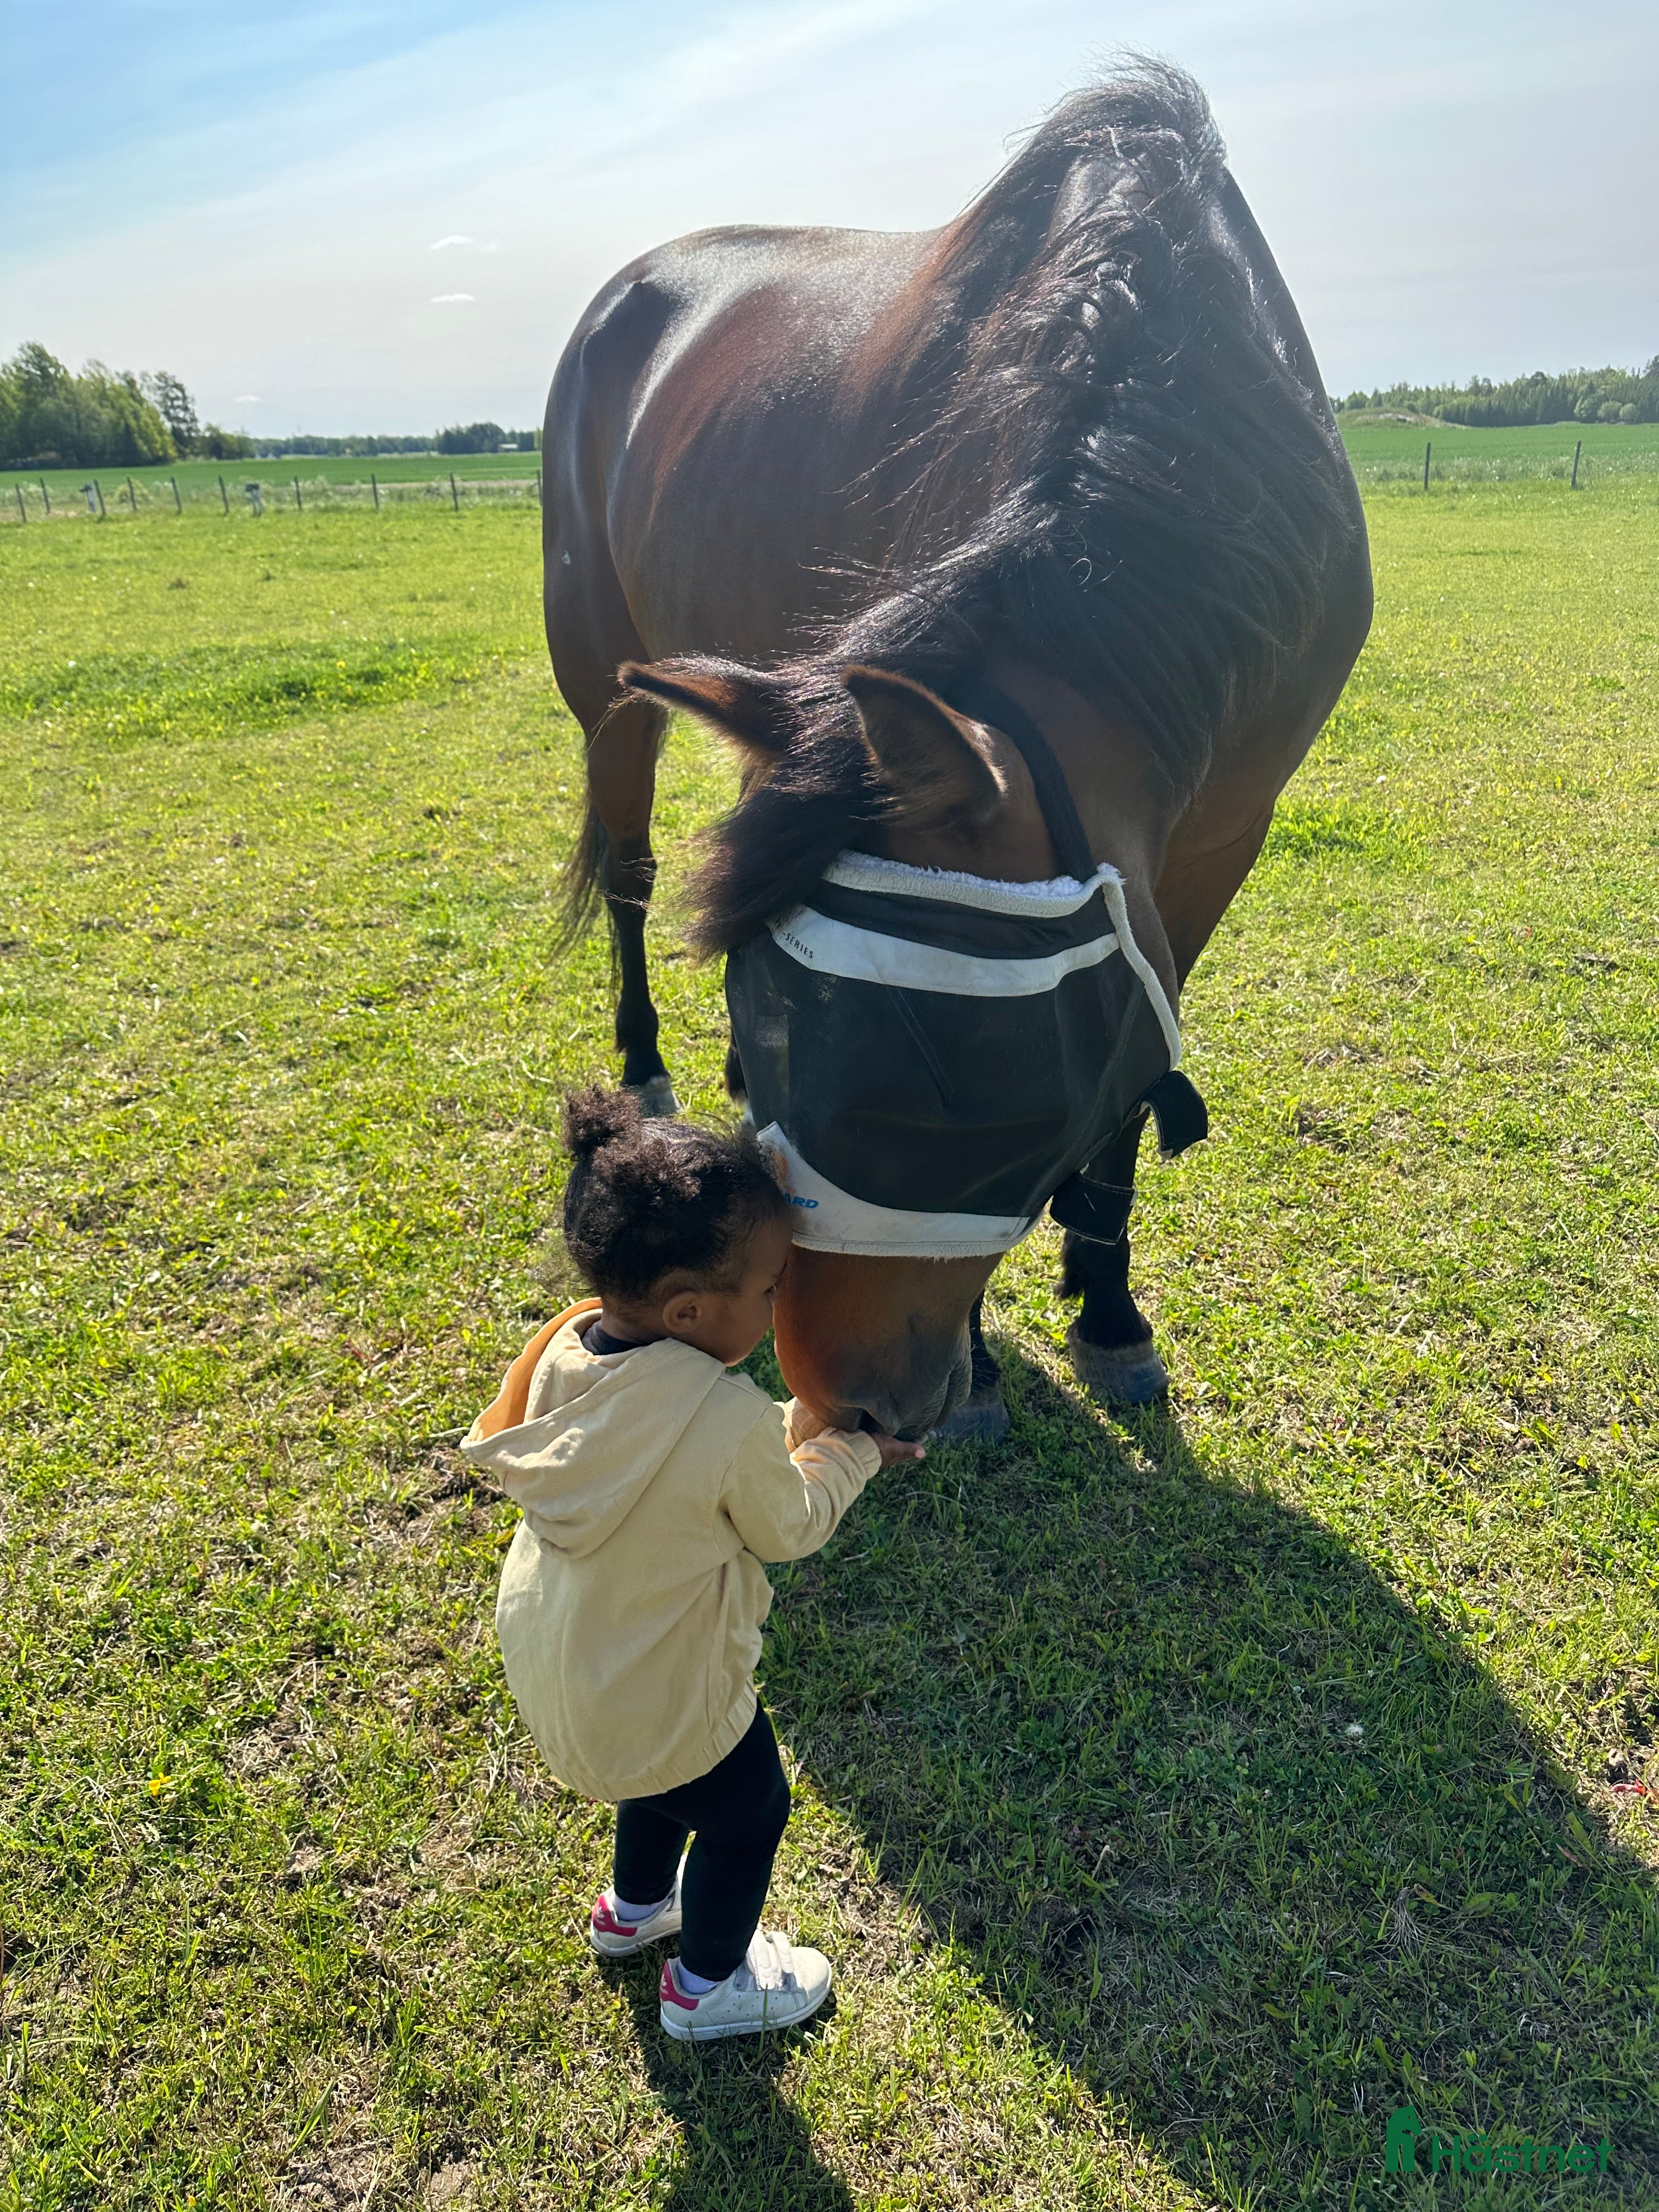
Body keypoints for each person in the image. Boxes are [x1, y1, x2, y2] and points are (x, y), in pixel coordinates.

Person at [461, 1086, 922, 2041]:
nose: (776, 1302)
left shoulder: (566, 1354)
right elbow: (788, 1521)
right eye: (768, 1289)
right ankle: (708, 1985)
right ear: (687, 1309)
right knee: (748, 1810)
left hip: (577, 1670)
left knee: (661, 1782)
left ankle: (634, 1911)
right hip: (663, 1692)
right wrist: (853, 1450)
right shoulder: (717, 1422)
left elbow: (702, 1466)